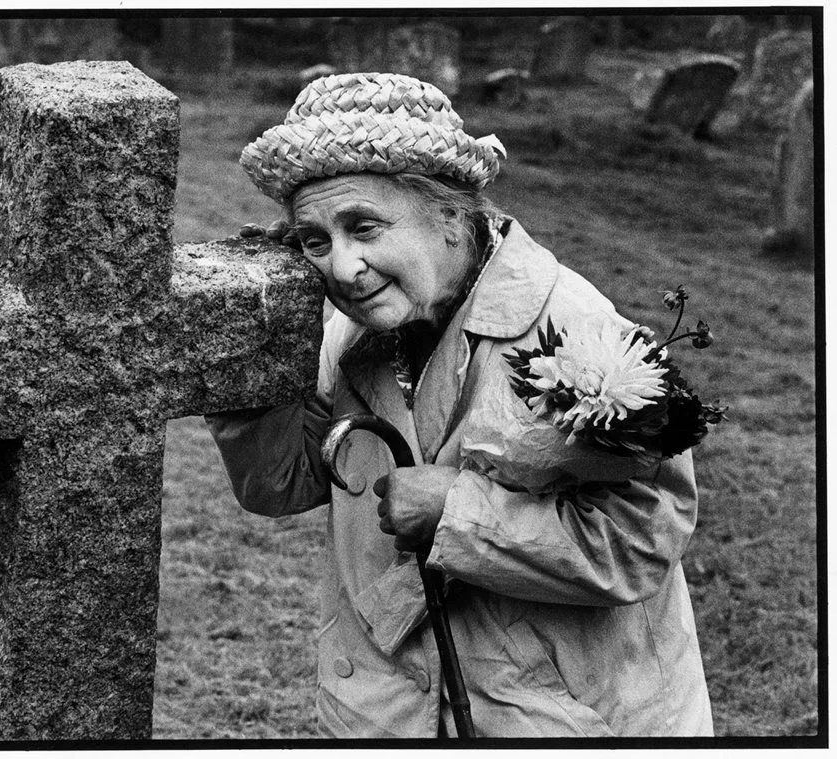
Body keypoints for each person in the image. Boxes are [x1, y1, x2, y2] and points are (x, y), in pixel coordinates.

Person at [206, 72, 714, 738]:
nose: (341, 265)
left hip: (563, 718)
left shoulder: (577, 332)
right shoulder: (352, 330)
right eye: (314, 238)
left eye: (363, 226)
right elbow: (282, 482)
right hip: (385, 714)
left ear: (449, 215)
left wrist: (459, 511)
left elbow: (643, 540)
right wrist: (255, 355)